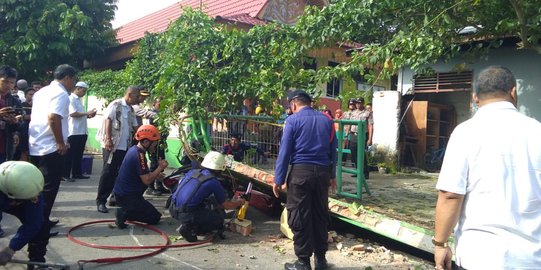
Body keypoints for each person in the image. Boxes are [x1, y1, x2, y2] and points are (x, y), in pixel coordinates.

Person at [434, 66, 541, 270]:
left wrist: (440, 244)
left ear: (475, 98)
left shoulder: (465, 132)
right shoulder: (538, 131)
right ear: (513, 92)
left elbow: (450, 195)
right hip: (532, 259)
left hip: (480, 256)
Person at [273, 90, 337, 270]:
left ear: (293, 105)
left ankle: (302, 262)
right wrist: (332, 176)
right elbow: (334, 150)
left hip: (300, 173)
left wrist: (278, 179)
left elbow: (284, 153)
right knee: (320, 215)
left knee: (299, 215)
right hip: (322, 173)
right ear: (310, 103)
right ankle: (321, 261)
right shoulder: (327, 120)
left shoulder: (292, 121)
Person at [29, 64, 76, 240]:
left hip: (37, 144)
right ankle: (39, 228)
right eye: (74, 79)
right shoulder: (62, 94)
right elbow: (53, 117)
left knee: (40, 188)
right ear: (68, 78)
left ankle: (42, 220)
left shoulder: (42, 92)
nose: (74, 83)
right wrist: (60, 142)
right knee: (48, 190)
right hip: (50, 147)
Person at [169, 151, 245, 242]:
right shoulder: (213, 182)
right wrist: (239, 202)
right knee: (218, 221)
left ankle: (189, 223)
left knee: (206, 202)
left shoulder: (193, 172)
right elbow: (225, 205)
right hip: (185, 213)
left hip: (172, 208)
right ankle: (190, 229)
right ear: (218, 169)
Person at [113, 125, 168, 229]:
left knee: (153, 214)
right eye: (154, 143)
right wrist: (160, 167)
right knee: (154, 218)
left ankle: (128, 210)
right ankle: (124, 213)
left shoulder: (135, 150)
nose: (155, 146)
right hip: (128, 197)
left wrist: (157, 175)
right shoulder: (139, 155)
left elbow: (143, 173)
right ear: (146, 142)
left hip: (127, 194)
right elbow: (147, 180)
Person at [95, 86, 140, 213]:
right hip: (113, 145)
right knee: (108, 172)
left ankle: (115, 197)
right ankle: (101, 201)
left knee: (121, 173)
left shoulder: (130, 109)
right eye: (137, 96)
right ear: (130, 94)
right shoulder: (116, 104)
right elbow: (108, 120)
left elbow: (136, 127)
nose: (138, 99)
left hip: (125, 146)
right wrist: (108, 139)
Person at [0, 161, 49, 269]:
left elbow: (34, 223)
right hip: (8, 195)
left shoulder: (32, 186)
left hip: (18, 194)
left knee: (41, 226)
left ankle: (37, 261)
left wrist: (11, 249)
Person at [0, 66, 23, 237]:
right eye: (5, 81)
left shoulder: (14, 100)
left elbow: (19, 122)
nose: (8, 85)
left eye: (11, 83)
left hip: (5, 147)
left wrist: (15, 126)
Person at [63, 82, 96, 181]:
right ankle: (65, 174)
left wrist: (89, 115)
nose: (84, 93)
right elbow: (73, 114)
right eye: (83, 90)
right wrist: (87, 113)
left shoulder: (78, 100)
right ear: (77, 89)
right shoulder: (71, 99)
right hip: (73, 131)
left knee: (78, 154)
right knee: (70, 155)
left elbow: (80, 115)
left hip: (81, 131)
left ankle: (77, 173)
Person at [351, 97, 373, 179]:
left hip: (362, 134)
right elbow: (349, 124)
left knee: (361, 154)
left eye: (359, 103)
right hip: (353, 134)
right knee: (354, 153)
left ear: (363, 103)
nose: (357, 104)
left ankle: (365, 172)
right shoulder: (353, 113)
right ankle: (358, 171)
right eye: (356, 103)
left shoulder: (368, 113)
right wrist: (346, 135)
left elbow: (370, 126)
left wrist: (370, 138)